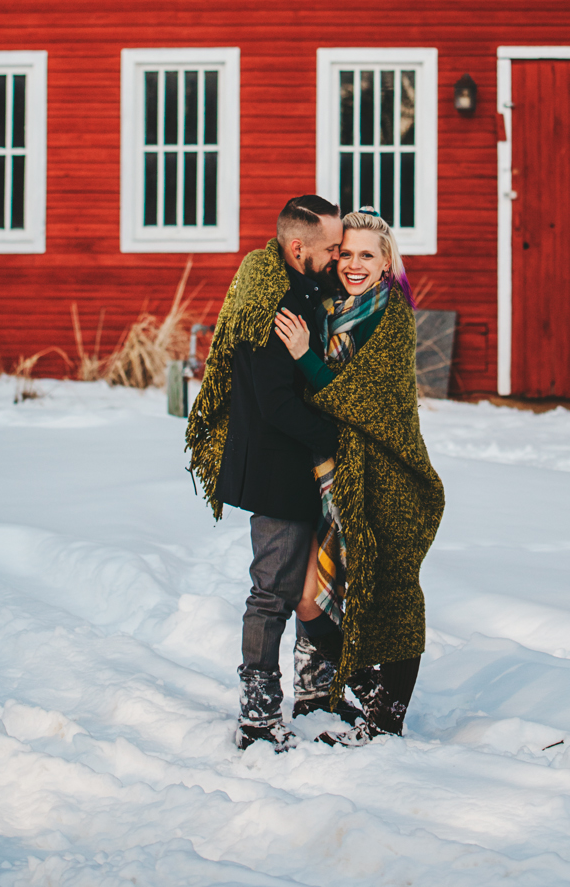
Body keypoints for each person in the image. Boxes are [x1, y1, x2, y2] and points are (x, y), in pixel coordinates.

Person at [273, 209, 445, 742]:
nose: (352, 263)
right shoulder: (330, 311)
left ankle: (386, 722)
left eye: (366, 255)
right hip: (342, 476)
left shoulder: (390, 317)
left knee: (392, 596)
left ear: (386, 262)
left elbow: (364, 401)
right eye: (345, 253)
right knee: (311, 600)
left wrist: (305, 358)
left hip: (390, 473)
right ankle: (374, 701)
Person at [186, 194, 345, 750]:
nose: (338, 257)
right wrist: (340, 435)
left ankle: (314, 688)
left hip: (308, 467)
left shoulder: (309, 289)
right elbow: (276, 403)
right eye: (330, 248)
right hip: (280, 472)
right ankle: (257, 710)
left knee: (317, 584)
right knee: (273, 591)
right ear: (296, 247)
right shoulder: (270, 302)